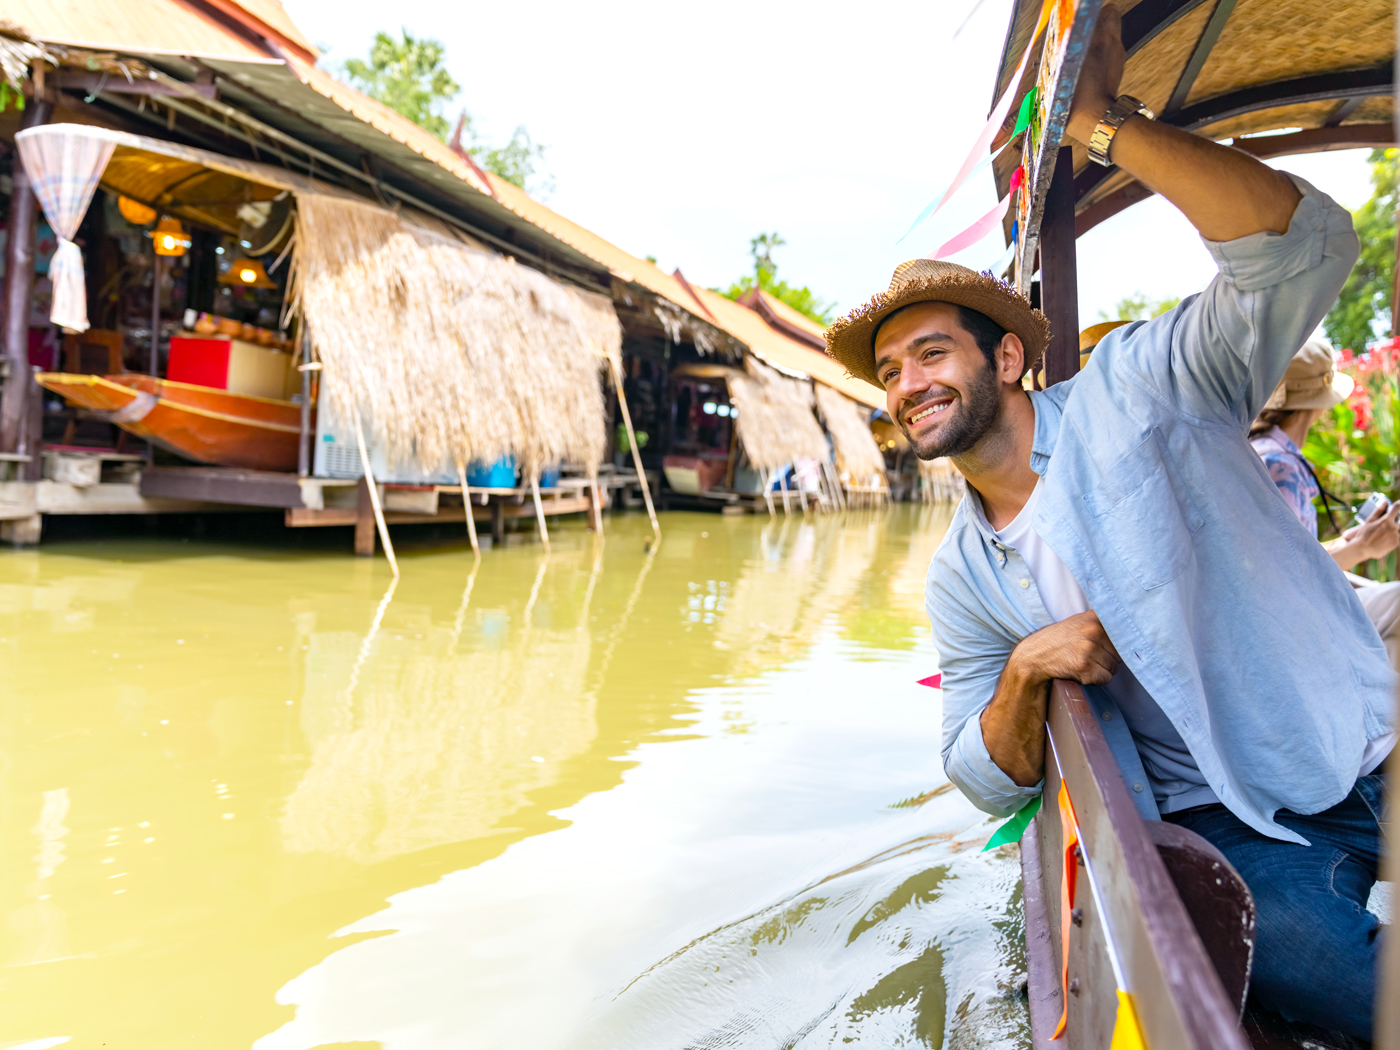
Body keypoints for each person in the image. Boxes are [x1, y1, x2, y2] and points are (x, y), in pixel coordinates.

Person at [822, 6, 1390, 1039]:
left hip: (1360, 738)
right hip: (1230, 818)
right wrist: (1023, 672)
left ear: (1003, 360)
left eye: (930, 354)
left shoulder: (1143, 385)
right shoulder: (966, 573)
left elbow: (1304, 247)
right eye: (890, 371)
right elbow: (981, 780)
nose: (907, 384)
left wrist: (1109, 127)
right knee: (1325, 983)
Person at [1251, 338, 1400, 669]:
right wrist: (1363, 549)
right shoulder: (1280, 466)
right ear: (1320, 401)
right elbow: (1287, 575)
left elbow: (1289, 551)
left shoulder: (1263, 452)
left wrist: (1347, 542)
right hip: (1293, 625)